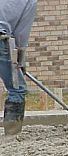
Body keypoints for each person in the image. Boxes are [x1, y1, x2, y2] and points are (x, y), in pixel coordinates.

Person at [0, 0, 37, 135]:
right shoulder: (30, 2)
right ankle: (11, 135)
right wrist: (21, 62)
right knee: (17, 89)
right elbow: (20, 36)